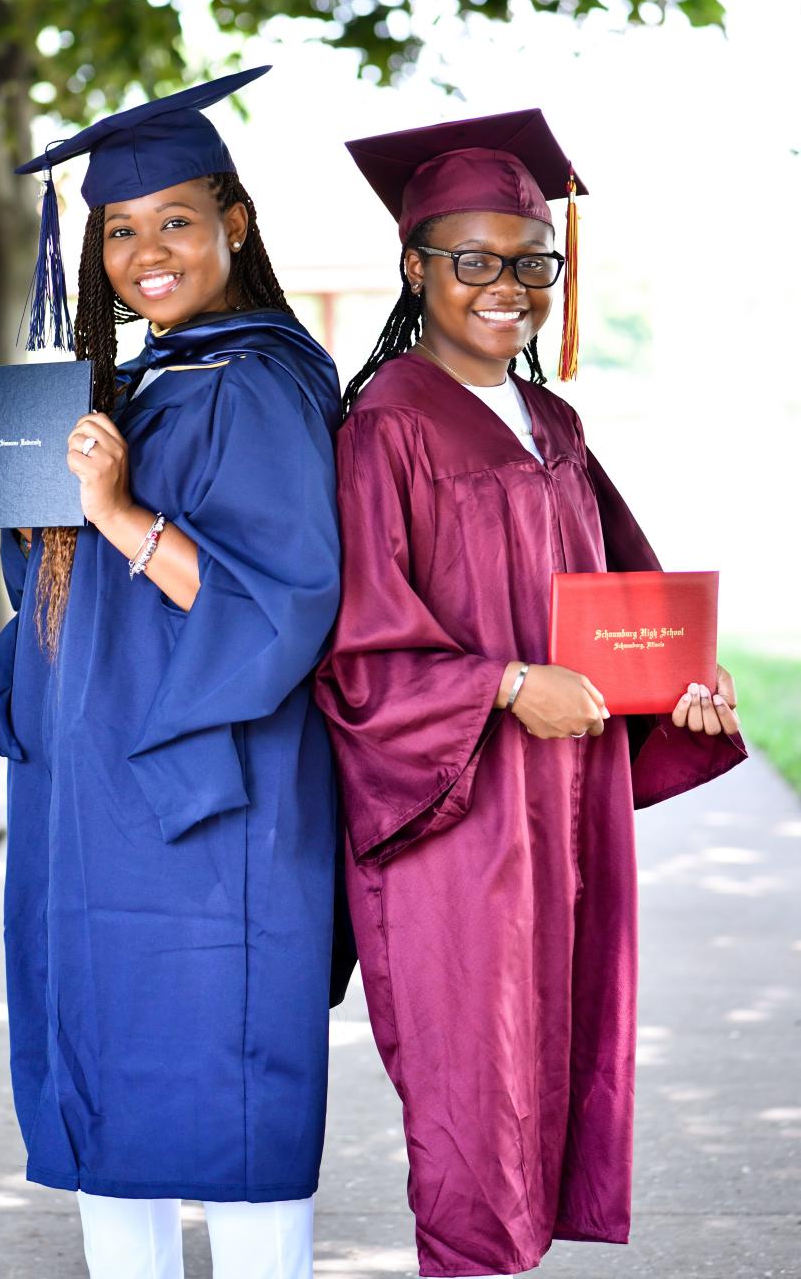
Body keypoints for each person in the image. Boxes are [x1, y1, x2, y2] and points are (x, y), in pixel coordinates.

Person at [0, 67, 344, 1279]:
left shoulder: (257, 381)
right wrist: (20, 497)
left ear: (236, 225)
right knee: (110, 1079)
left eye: (176, 221)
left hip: (209, 800)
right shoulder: (140, 381)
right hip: (102, 794)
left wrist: (108, 512)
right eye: (118, 228)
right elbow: (73, 605)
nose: (146, 251)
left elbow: (276, 602)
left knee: (230, 1083)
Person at [314, 109, 747, 1278]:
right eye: (473, 260)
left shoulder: (554, 421)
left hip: (568, 805)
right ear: (416, 268)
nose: (507, 285)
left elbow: (621, 598)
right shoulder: (384, 427)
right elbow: (354, 650)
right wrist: (503, 685)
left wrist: (682, 683)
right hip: (457, 820)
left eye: (532, 260)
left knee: (556, 1064)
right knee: (471, 1096)